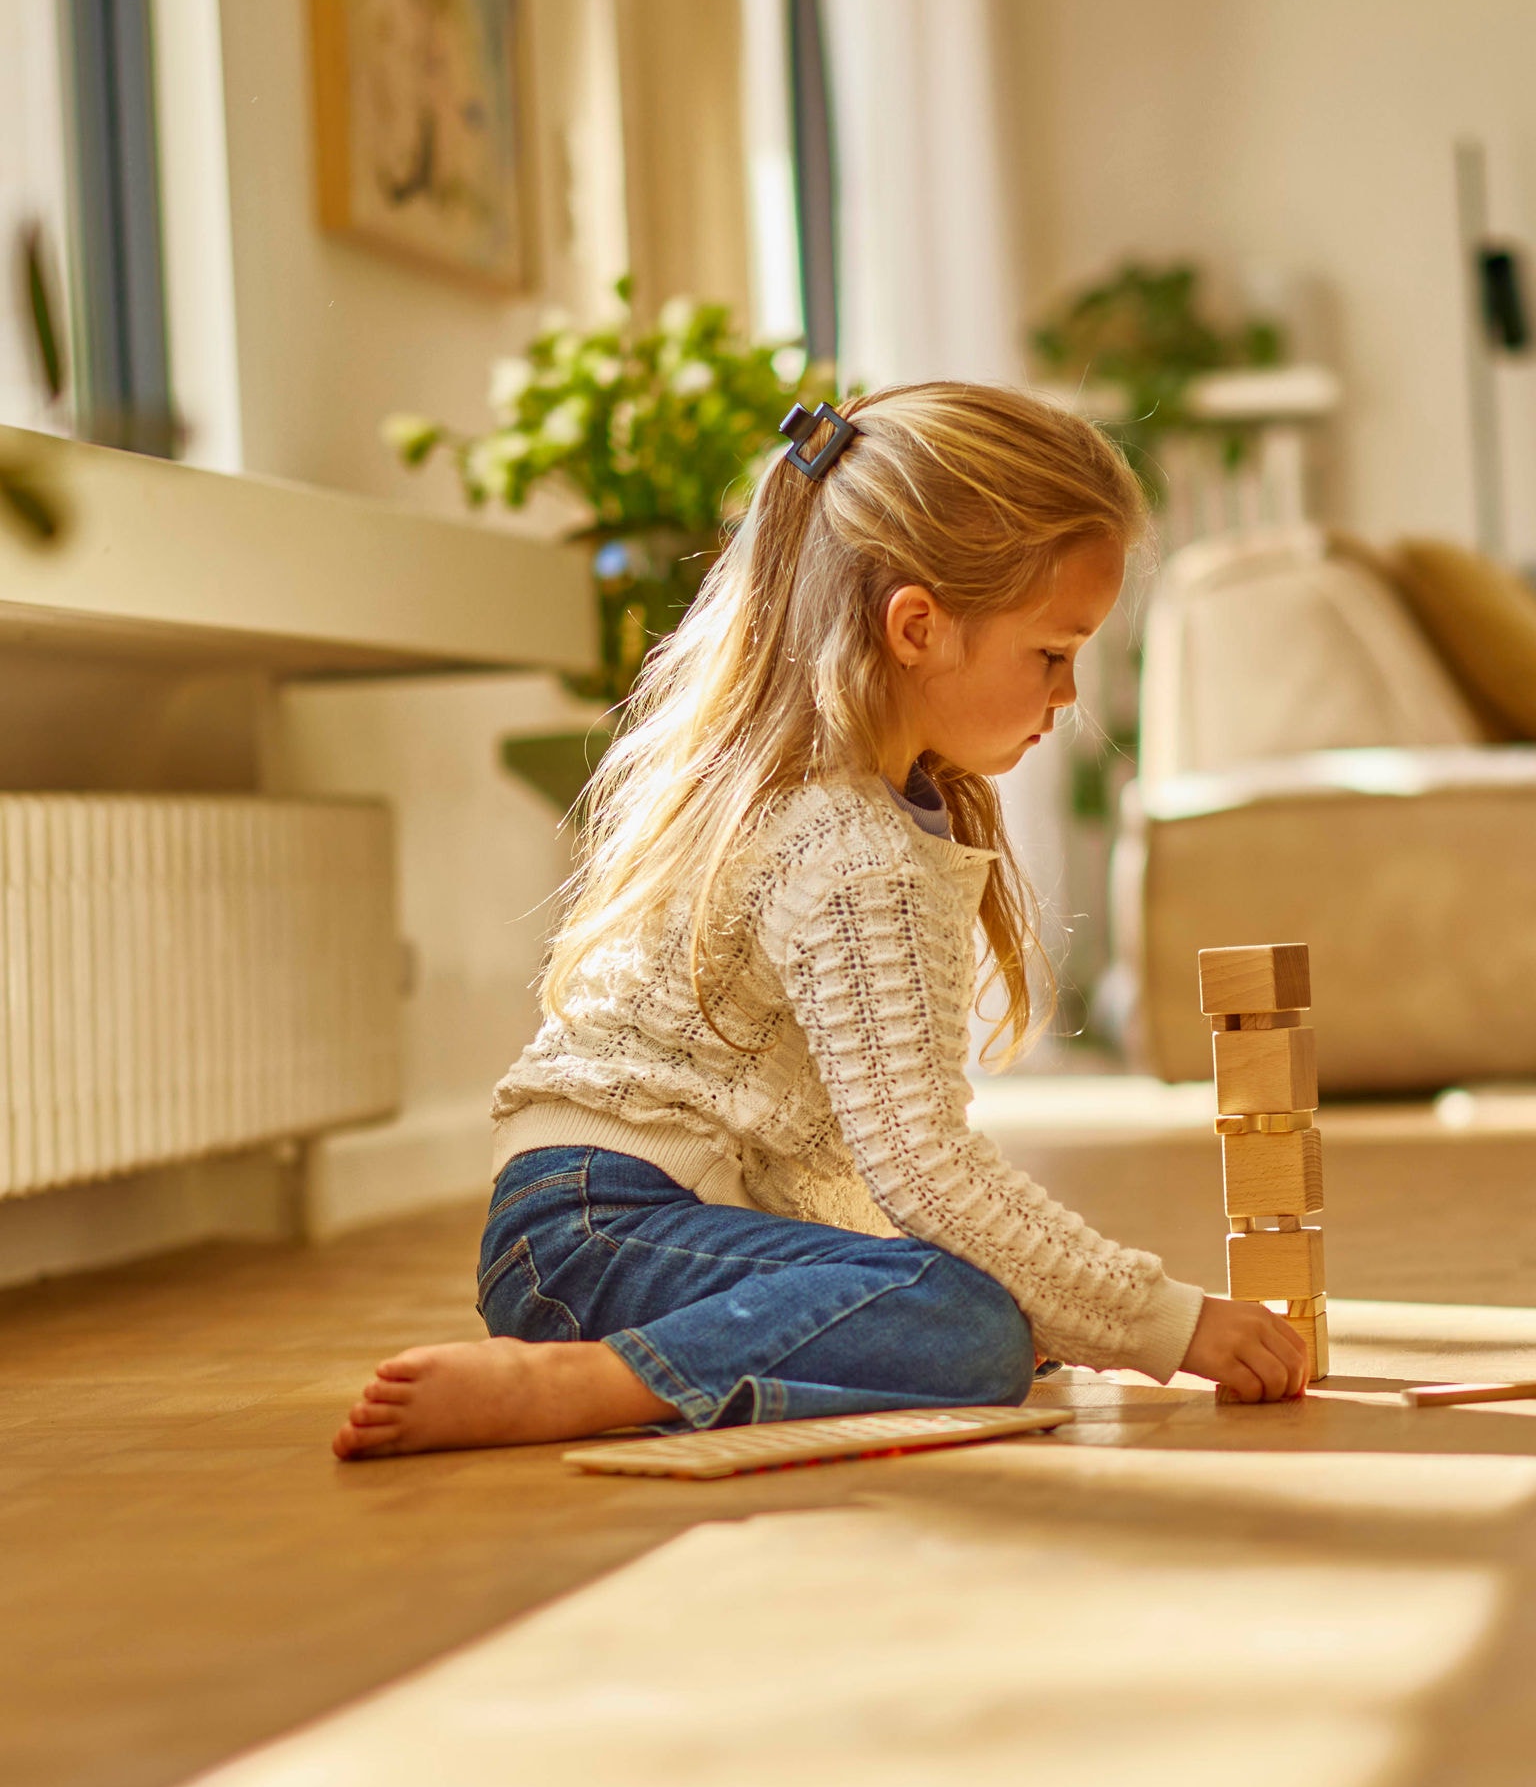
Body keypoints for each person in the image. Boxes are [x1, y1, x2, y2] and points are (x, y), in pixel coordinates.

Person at [334, 384, 1307, 1460]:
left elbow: (848, 1168)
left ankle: (639, 1362)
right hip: (599, 1234)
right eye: (1051, 652)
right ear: (918, 627)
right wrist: (1170, 1324)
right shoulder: (851, 850)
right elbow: (927, 1169)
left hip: (591, 1227)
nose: (1069, 692)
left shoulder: (847, 803)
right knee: (965, 1319)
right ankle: (588, 1381)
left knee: (975, 1304)